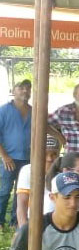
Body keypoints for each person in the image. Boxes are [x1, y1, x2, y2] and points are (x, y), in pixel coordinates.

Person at [0, 79, 31, 227]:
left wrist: (59, 136)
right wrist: (4, 156)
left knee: (21, 192)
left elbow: (46, 126)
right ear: (13, 91)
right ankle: (0, 220)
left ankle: (15, 222)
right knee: (5, 190)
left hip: (27, 159)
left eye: (28, 88)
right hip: (9, 158)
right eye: (21, 88)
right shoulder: (4, 110)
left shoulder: (33, 110)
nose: (25, 91)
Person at [16, 137, 60, 227]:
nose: (49, 158)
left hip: (58, 222)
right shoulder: (28, 170)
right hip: (32, 220)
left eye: (54, 154)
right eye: (45, 154)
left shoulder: (63, 171)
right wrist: (23, 229)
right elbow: (22, 204)